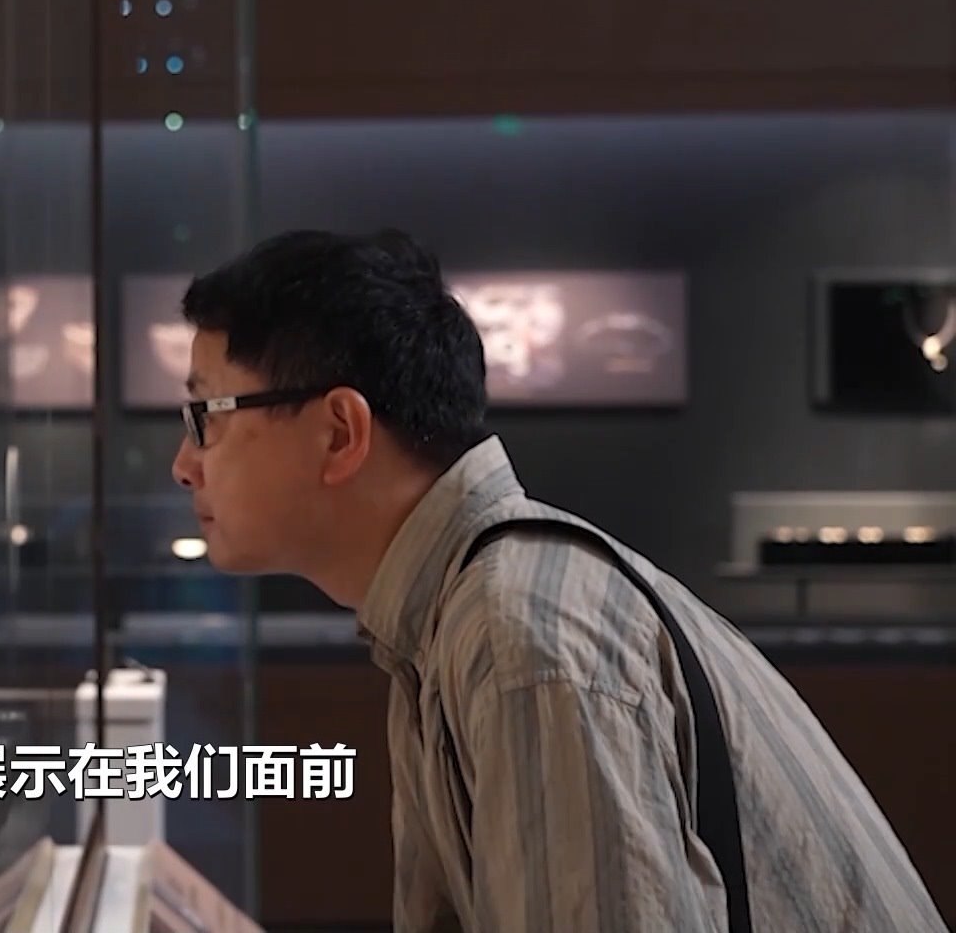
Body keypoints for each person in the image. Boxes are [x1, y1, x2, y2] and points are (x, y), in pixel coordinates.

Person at [170, 228, 946, 932]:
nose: (184, 464)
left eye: (208, 415)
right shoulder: (461, 611)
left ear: (341, 432)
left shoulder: (522, 633)